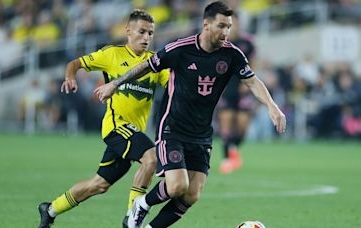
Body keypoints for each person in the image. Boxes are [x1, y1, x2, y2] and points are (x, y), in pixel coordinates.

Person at [94, 2, 286, 227]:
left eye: (229, 26)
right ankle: (142, 204)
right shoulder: (180, 49)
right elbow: (146, 66)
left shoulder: (232, 54)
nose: (226, 32)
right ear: (206, 24)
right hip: (172, 129)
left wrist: (272, 106)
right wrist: (115, 83)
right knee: (177, 186)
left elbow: (252, 81)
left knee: (192, 194)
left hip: (202, 133)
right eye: (221, 26)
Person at [37, 9, 169, 228]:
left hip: (133, 132)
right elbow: (75, 63)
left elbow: (173, 86)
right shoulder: (112, 55)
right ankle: (132, 217)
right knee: (151, 158)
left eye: (150, 33)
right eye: (142, 32)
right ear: (128, 31)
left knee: (98, 185)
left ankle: (50, 209)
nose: (146, 38)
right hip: (116, 127)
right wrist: (70, 77)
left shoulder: (154, 63)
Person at [216, 12, 257, 174]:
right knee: (226, 122)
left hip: (243, 87)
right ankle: (226, 159)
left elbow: (253, 63)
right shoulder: (219, 41)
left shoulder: (248, 42)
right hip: (225, 87)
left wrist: (248, 83)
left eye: (236, 24)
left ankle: (233, 147)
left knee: (242, 127)